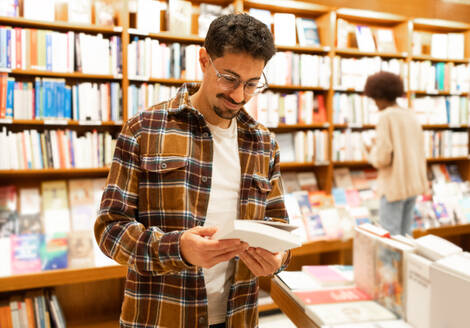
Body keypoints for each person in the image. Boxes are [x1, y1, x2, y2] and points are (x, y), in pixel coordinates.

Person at [94, 13, 290, 328]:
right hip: (159, 317)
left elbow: (279, 229)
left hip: (237, 317)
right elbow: (110, 230)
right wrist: (179, 249)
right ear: (203, 60)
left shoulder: (263, 143)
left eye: (252, 84)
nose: (239, 96)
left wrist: (278, 259)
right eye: (229, 77)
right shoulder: (145, 128)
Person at [363, 71, 428, 236]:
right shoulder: (411, 115)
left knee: (389, 240)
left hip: (394, 187)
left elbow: (383, 158)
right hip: (412, 186)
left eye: (374, 98)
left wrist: (371, 152)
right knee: (406, 237)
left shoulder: (386, 117)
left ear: (379, 95)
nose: (375, 103)